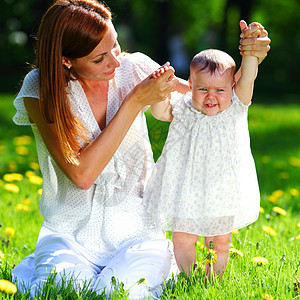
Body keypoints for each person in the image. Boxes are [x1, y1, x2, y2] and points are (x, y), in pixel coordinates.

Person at [11, 0, 270, 297]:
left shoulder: (134, 67)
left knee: (119, 293)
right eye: (100, 59)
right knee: (67, 291)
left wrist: (251, 59)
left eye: (116, 46)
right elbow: (82, 175)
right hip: (69, 235)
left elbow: (210, 100)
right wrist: (134, 102)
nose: (116, 62)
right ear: (66, 60)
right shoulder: (41, 87)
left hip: (138, 232)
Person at [145, 21, 262, 278]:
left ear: (232, 87)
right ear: (190, 85)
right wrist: (160, 91)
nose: (211, 96)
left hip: (222, 189)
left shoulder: (236, 107)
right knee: (183, 238)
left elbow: (249, 75)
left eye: (220, 90)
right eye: (203, 89)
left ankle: (212, 280)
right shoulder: (183, 107)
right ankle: (187, 278)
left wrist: (250, 48)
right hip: (185, 188)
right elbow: (159, 111)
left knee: (219, 241)